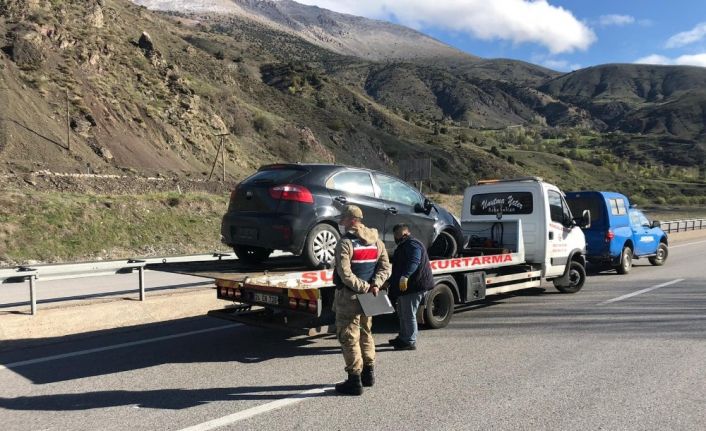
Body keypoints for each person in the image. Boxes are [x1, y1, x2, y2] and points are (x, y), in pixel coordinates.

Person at [332, 205, 391, 396]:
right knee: (366, 333)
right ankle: (369, 374)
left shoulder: (345, 243)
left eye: (343, 219)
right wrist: (375, 285)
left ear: (351, 220)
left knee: (349, 337)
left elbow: (345, 274)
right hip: (370, 297)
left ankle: (354, 381)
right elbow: (385, 268)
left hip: (350, 297)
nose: (341, 223)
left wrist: (364, 287)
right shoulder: (377, 242)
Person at [388, 224, 434, 350]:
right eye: (395, 236)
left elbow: (414, 261)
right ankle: (403, 337)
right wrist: (390, 281)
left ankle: (410, 341)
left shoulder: (413, 244)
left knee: (409, 314)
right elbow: (398, 268)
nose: (395, 238)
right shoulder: (403, 246)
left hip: (415, 285)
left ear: (405, 234)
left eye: (397, 235)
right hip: (405, 286)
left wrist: (406, 276)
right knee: (402, 313)